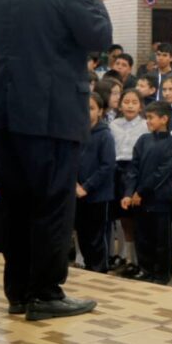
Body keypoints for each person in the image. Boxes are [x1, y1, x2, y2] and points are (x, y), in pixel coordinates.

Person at [0, 0, 112, 320]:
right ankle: (47, 293)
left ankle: (18, 291)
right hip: (51, 114)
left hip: (5, 111)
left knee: (15, 204)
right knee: (52, 203)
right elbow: (99, 36)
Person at [119, 101, 172, 285]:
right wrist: (129, 193)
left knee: (160, 238)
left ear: (164, 119)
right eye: (147, 118)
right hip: (139, 199)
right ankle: (145, 269)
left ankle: (161, 273)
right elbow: (133, 168)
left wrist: (141, 192)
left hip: (159, 198)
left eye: (151, 118)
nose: (148, 121)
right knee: (142, 235)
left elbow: (162, 172)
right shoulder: (143, 140)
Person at [73, 93, 114, 271]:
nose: (86, 111)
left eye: (91, 108)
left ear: (100, 111)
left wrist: (87, 187)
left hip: (97, 194)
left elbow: (107, 166)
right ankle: (89, 266)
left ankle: (99, 270)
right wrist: (74, 184)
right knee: (82, 233)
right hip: (77, 192)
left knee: (96, 236)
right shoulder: (76, 132)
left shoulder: (104, 135)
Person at [110, 89, 148, 275]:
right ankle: (128, 258)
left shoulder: (145, 125)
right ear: (120, 104)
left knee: (138, 219)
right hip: (118, 171)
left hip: (136, 172)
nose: (130, 105)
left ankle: (140, 261)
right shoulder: (114, 124)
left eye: (134, 102)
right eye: (126, 101)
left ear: (140, 106)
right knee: (124, 219)